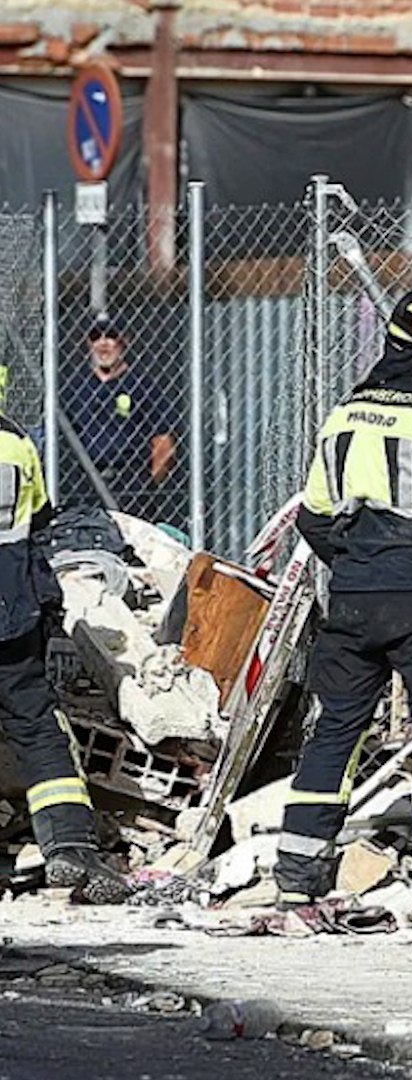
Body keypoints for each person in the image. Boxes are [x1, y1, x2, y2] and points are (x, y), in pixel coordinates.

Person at [275, 285, 412, 911]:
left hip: (355, 592)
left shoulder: (343, 413)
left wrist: (360, 560)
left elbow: (312, 517)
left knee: (336, 726)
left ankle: (298, 866)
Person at [0, 415, 129, 903]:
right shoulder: (15, 446)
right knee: (35, 727)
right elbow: (39, 524)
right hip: (10, 613)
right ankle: (70, 847)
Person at [61, 317, 183, 523]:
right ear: (88, 343)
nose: (103, 344)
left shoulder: (143, 385)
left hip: (130, 482)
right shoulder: (74, 387)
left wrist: (145, 485)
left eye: (111, 336)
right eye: (95, 337)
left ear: (124, 341)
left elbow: (164, 445)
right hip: (84, 483)